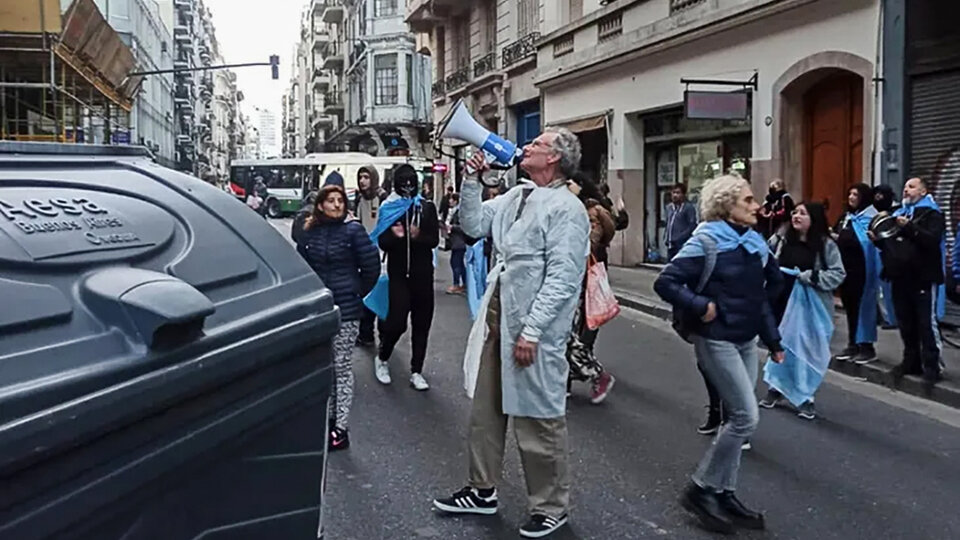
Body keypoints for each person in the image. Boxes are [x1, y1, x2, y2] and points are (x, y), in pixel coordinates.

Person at [433, 128, 590, 539]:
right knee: (486, 413)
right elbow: (472, 224)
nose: (529, 146)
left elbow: (563, 277)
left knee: (539, 420)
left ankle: (551, 506)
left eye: (538, 143)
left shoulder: (567, 209)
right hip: (499, 321)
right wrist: (470, 180)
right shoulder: (518, 195)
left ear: (554, 158)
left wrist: (533, 331)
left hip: (534, 330)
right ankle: (482, 489)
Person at [654, 174, 784, 535]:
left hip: (745, 339)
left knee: (736, 419)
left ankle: (723, 493)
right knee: (745, 418)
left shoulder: (756, 243)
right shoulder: (706, 241)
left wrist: (773, 341)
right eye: (748, 200)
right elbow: (665, 282)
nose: (756, 205)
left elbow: (764, 292)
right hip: (716, 339)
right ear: (727, 206)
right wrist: (701, 305)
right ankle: (700, 489)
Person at [296, 184, 380, 451]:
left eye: (340, 201)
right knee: (324, 366)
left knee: (341, 367)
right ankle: (326, 419)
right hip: (319, 309)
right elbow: (302, 268)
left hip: (346, 309)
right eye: (330, 201)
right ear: (320, 205)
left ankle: (340, 428)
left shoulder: (353, 231)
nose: (336, 205)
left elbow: (371, 266)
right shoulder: (311, 232)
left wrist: (356, 293)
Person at [760, 202, 846, 420]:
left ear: (814, 219)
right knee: (781, 344)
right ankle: (776, 388)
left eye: (802, 213)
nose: (796, 216)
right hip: (782, 300)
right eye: (795, 212)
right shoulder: (781, 238)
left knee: (807, 348)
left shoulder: (826, 245)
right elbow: (765, 256)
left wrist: (812, 277)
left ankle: (805, 396)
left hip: (811, 306)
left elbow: (838, 274)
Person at [374, 164, 440, 391]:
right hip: (399, 274)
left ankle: (417, 370)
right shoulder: (389, 207)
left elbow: (434, 240)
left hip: (423, 275)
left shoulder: (427, 207)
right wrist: (396, 236)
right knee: (396, 321)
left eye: (412, 182)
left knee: (422, 324)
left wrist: (417, 235)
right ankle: (382, 357)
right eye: (404, 182)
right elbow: (382, 243)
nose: (408, 186)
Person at [875, 178, 946, 386]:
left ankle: (932, 366)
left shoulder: (932, 214)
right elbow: (895, 246)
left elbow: (931, 241)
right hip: (900, 277)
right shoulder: (899, 213)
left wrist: (909, 228)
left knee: (926, 323)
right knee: (906, 322)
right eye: (905, 186)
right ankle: (911, 361)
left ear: (924, 191)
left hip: (923, 277)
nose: (906, 190)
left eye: (912, 187)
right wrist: (879, 241)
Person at [566, 174, 617, 403]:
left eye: (570, 183)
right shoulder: (569, 206)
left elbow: (597, 238)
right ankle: (566, 380)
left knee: (569, 333)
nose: (566, 186)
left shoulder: (590, 211)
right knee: (565, 333)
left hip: (583, 274)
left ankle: (594, 373)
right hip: (571, 273)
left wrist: (586, 245)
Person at [832, 183, 880, 364]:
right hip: (846, 270)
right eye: (850, 194)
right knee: (850, 307)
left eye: (856, 195)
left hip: (863, 269)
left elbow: (874, 244)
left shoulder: (871, 218)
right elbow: (840, 234)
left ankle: (866, 347)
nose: (851, 198)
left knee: (863, 308)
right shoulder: (847, 216)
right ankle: (852, 344)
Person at [352, 165, 385, 347]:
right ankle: (366, 334)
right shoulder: (359, 199)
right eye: (360, 177)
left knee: (381, 296)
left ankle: (383, 336)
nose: (363, 181)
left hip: (381, 255)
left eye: (366, 177)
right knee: (365, 296)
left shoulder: (382, 198)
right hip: (363, 254)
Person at [873, 184, 900, 328]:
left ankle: (892, 317)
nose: (877, 198)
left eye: (880, 195)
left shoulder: (896, 213)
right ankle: (886, 316)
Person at [666, 183, 698, 260]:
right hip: (670, 243)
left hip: (681, 244)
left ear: (683, 194)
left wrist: (681, 237)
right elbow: (669, 223)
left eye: (678, 193)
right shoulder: (670, 207)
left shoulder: (688, 208)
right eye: (673, 192)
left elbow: (692, 225)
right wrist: (666, 237)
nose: (675, 195)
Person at [445, 193, 467, 295]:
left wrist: (451, 227)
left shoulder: (459, 212)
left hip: (459, 241)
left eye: (451, 199)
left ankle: (456, 284)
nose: (450, 201)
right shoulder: (454, 211)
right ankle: (464, 283)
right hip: (456, 241)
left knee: (456, 263)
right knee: (459, 263)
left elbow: (462, 227)